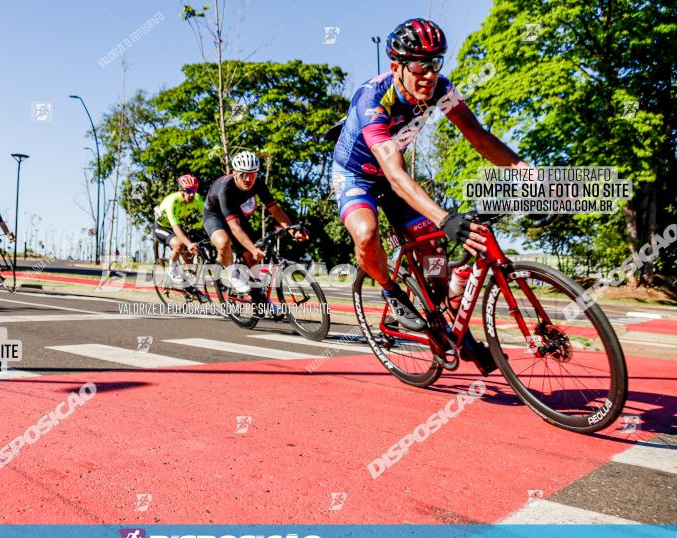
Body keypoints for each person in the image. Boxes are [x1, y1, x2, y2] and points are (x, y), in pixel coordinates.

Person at [332, 18, 530, 331]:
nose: (429, 74)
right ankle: (390, 289)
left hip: (393, 174)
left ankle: (439, 314)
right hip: (357, 175)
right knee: (367, 235)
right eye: (419, 66)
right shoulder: (373, 99)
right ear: (397, 66)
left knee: (434, 254)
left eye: (436, 62)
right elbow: (395, 175)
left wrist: (528, 173)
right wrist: (445, 218)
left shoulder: (441, 89)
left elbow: (477, 137)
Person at [203, 151, 306, 293]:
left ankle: (262, 302)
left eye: (253, 174)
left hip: (235, 213)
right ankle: (232, 274)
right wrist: (252, 248)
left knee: (253, 261)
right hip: (214, 216)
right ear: (234, 173)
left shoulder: (258, 184)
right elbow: (235, 228)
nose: (248, 179)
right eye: (243, 174)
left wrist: (292, 230)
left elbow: (275, 210)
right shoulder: (225, 188)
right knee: (224, 243)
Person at [153, 174, 204, 283]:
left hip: (175, 227)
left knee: (190, 255)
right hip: (161, 227)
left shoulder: (197, 198)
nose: (191, 194)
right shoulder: (172, 201)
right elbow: (175, 228)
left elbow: (208, 216)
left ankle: (191, 285)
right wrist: (188, 243)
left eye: (194, 191)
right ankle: (171, 271)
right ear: (181, 191)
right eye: (188, 191)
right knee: (179, 244)